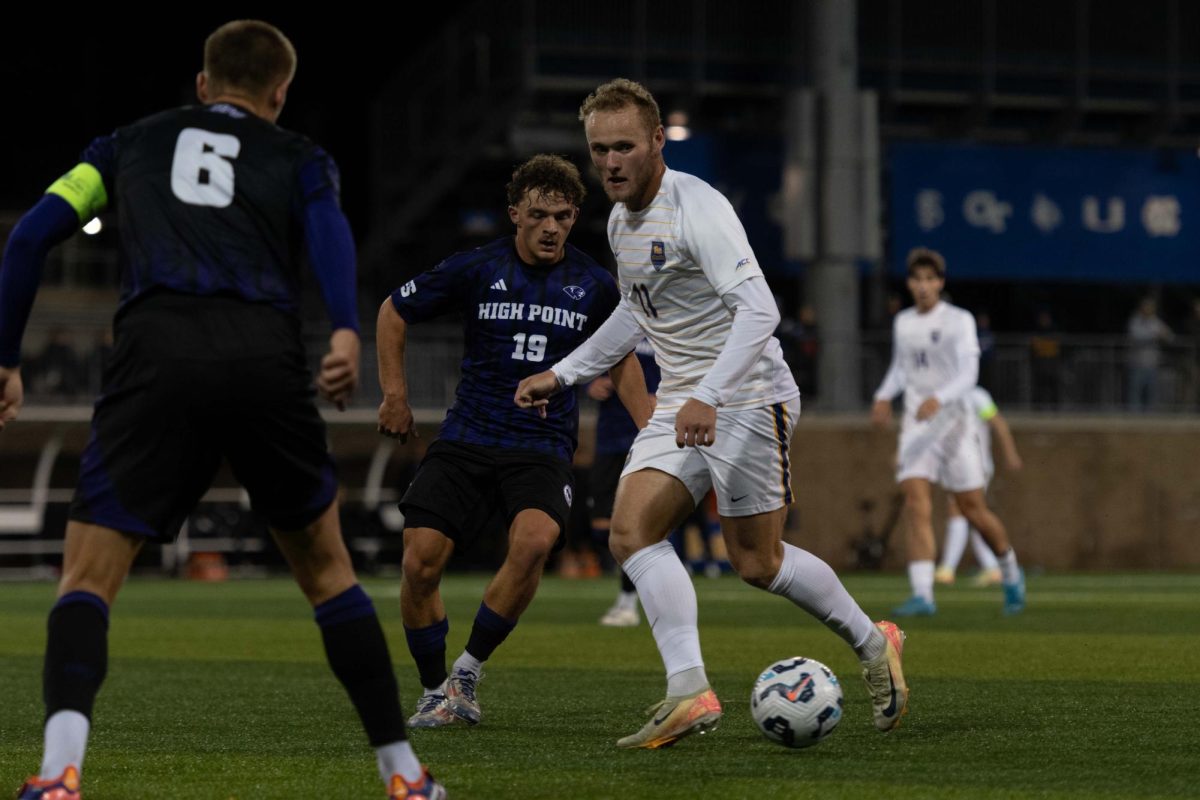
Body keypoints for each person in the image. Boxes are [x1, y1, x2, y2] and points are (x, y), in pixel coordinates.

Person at [0, 21, 443, 800]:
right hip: (262, 360)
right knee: (330, 574)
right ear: (280, 94)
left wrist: (5, 359)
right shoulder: (301, 157)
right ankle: (404, 776)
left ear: (203, 84)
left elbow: (28, 240)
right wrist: (343, 326)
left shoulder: (123, 145)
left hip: (155, 357)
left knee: (88, 578)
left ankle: (58, 772)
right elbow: (329, 232)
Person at [514, 78, 908, 749]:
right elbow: (636, 314)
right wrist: (565, 373)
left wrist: (711, 395)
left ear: (656, 143)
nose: (610, 162)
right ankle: (688, 689)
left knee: (758, 563)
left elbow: (761, 311)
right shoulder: (617, 221)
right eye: (599, 149)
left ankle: (875, 644)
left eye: (624, 147)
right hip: (685, 400)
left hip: (749, 395)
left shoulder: (698, 208)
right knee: (631, 533)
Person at [377, 154, 651, 729]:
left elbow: (622, 357)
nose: (552, 227)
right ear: (515, 215)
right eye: (539, 215)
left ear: (575, 217)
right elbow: (393, 311)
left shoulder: (594, 284)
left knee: (534, 543)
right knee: (420, 563)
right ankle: (434, 689)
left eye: (563, 215)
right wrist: (395, 395)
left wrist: (649, 422)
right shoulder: (477, 268)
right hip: (469, 433)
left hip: (543, 443)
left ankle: (468, 671)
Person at [871, 248, 1026, 619]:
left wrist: (939, 398)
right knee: (915, 504)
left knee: (973, 509)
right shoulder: (904, 322)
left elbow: (969, 375)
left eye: (930, 279)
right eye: (916, 280)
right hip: (916, 428)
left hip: (955, 426)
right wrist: (882, 395)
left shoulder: (959, 320)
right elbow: (900, 368)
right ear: (909, 283)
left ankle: (1010, 572)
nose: (923, 286)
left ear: (940, 282)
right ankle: (923, 593)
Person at [589, 336, 660, 626]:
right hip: (608, 438)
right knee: (599, 523)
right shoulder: (616, 324)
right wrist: (588, 384)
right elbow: (585, 359)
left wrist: (664, 395)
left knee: (634, 524)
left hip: (643, 437)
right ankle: (643, 582)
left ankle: (629, 601)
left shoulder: (663, 324)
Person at [934, 385, 1023, 587]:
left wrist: (1011, 454)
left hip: (974, 465)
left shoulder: (976, 396)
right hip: (957, 465)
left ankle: (947, 568)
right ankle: (992, 567)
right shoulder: (942, 394)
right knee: (973, 515)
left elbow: (997, 423)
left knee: (960, 510)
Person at [1127, 296, 1173, 412]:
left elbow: (1171, 337)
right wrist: (1154, 335)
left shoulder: (1155, 321)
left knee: (1151, 392)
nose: (1148, 310)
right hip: (1137, 362)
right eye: (1146, 308)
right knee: (1135, 391)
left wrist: (1164, 335)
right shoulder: (1135, 321)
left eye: (1150, 308)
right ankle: (1133, 417)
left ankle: (1151, 417)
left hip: (1152, 363)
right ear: (1141, 308)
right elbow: (1136, 336)